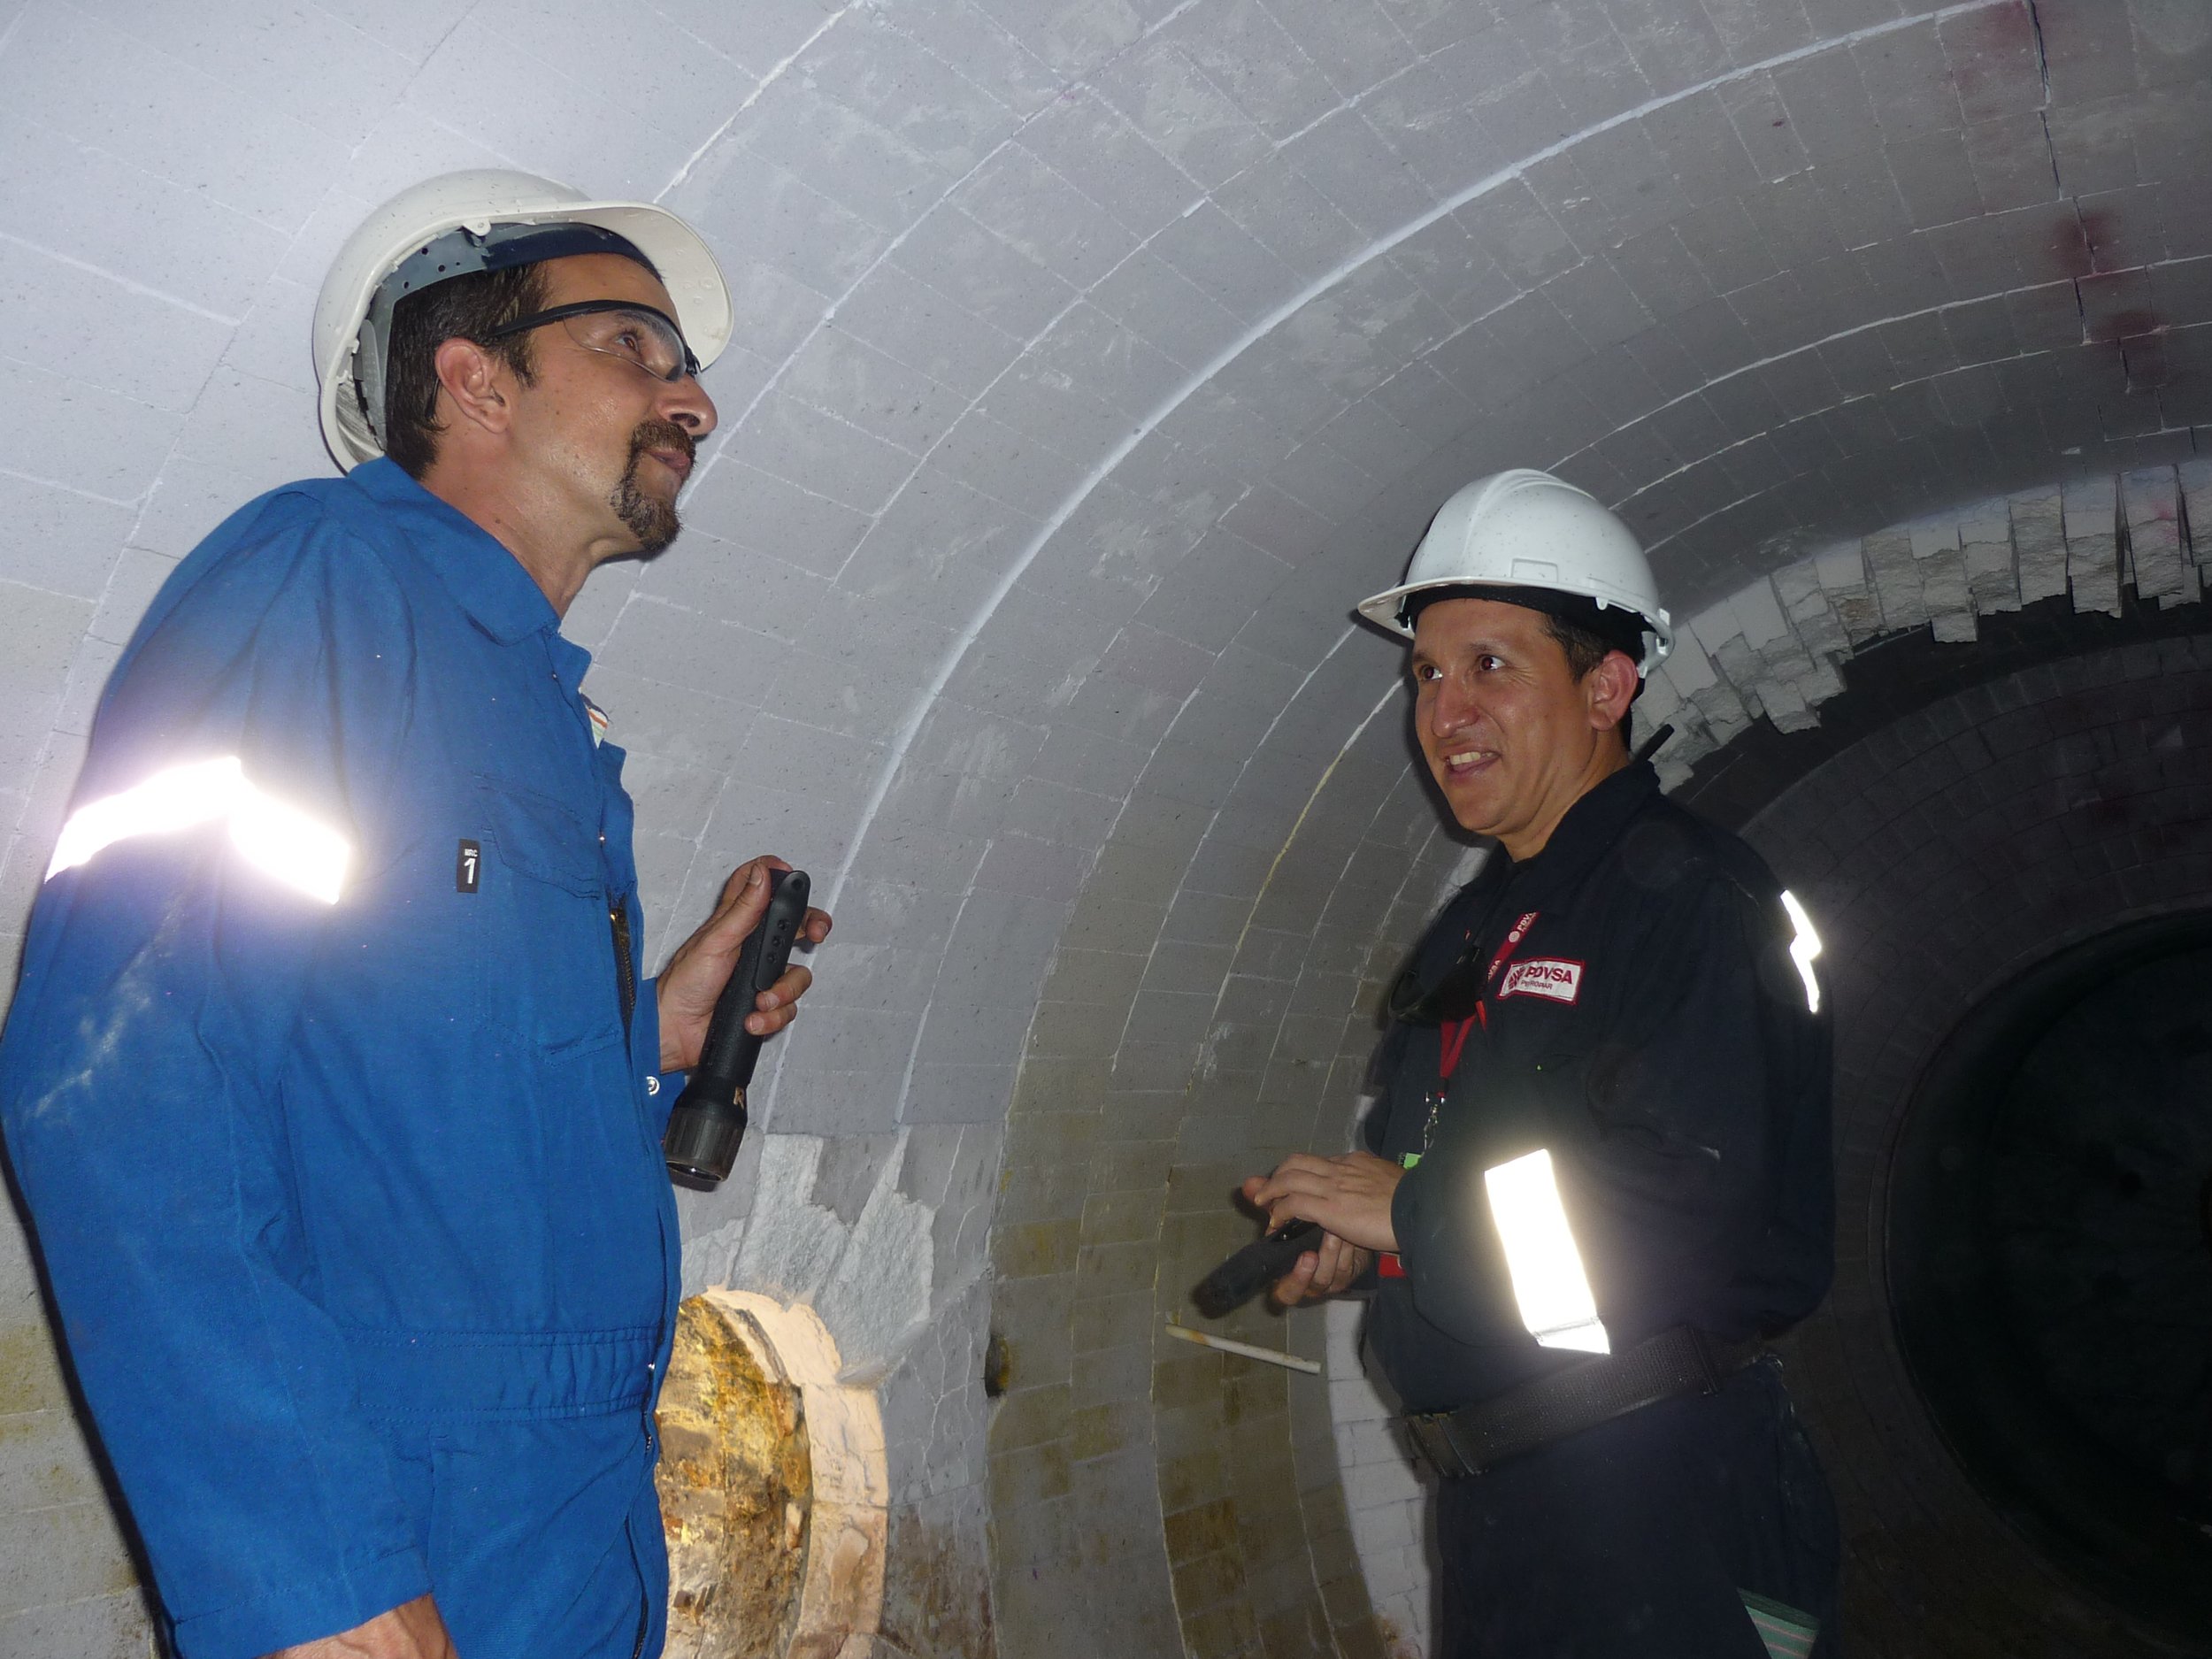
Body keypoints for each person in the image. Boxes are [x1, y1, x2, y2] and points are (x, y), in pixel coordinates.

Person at [0, 172, 831, 1659]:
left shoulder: (538, 716)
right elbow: (121, 1082)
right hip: (396, 1507)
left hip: (566, 1519)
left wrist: (651, 1042)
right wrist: (308, 1572)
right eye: (635, 344)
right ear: (471, 377)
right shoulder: (315, 586)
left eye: (686, 365)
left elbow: (413, 1100)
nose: (692, 401)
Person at [1240, 470, 1839, 1657]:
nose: (1443, 712)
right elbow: (1515, 1197)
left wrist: (1412, 1213)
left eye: (1491, 668)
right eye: (1426, 674)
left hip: (1658, 1501)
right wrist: (1373, 1249)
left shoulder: (1692, 902)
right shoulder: (1491, 920)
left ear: (1609, 684)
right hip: (1518, 1509)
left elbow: (1677, 1223)